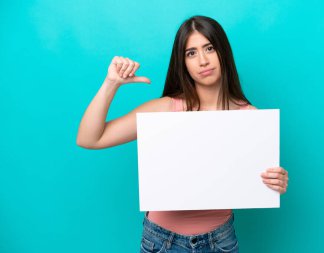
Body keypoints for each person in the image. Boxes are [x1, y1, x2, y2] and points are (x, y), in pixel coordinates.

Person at [77, 15, 289, 253]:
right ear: (183, 62)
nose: (202, 61)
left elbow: (256, 180)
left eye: (209, 48)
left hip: (221, 241)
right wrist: (111, 83)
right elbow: (89, 138)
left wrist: (275, 181)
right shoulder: (165, 109)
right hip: (161, 241)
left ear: (223, 52)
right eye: (191, 53)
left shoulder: (249, 117)